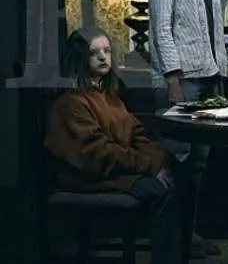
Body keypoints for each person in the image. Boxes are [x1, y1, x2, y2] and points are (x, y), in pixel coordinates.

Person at [44, 26, 182, 264]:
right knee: (161, 192)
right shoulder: (70, 103)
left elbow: (137, 136)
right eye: (93, 52)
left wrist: (159, 163)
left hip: (116, 169)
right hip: (88, 176)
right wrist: (149, 166)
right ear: (79, 58)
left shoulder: (110, 97)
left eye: (106, 51)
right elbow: (99, 152)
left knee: (179, 175)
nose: (102, 57)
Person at [148, 0, 228, 257]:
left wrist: (220, 72)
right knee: (178, 162)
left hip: (209, 79)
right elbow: (161, 31)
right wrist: (173, 81)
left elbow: (212, 30)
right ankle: (173, 243)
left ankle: (188, 236)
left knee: (198, 166)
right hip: (183, 81)